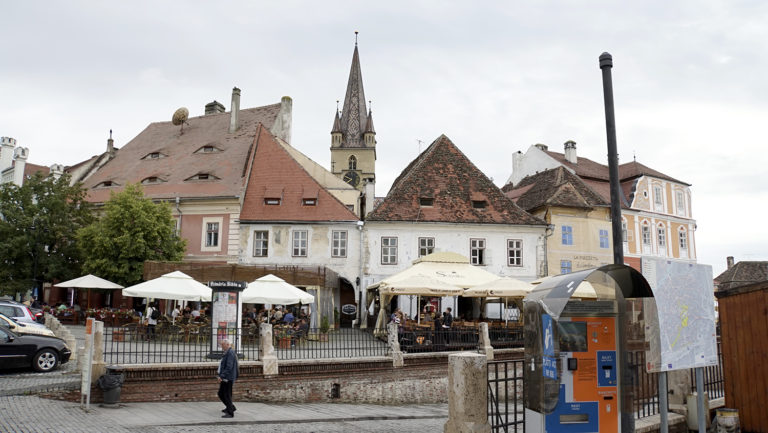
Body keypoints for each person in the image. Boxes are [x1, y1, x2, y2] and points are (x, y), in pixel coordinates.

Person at [217, 339, 239, 418]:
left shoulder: (230, 353)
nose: (222, 347)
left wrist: (222, 376)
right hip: (225, 377)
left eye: (223, 345)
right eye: (221, 345)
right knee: (221, 393)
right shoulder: (227, 352)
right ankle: (230, 407)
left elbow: (229, 367)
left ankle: (230, 413)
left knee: (227, 395)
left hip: (228, 377)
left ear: (227, 344)